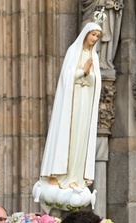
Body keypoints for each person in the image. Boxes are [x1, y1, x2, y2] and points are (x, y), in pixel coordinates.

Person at [34, 23, 102, 212]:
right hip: (71, 105)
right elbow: (67, 76)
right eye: (93, 34)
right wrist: (83, 72)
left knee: (80, 141)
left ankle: (76, 178)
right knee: (69, 140)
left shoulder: (94, 56)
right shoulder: (74, 51)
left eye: (97, 36)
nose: (95, 38)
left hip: (85, 105)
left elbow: (96, 81)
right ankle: (60, 175)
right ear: (86, 34)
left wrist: (90, 76)